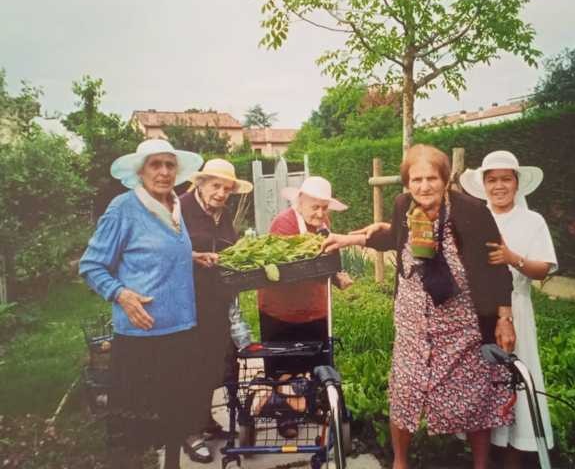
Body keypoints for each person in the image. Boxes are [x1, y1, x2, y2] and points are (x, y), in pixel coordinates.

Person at [323, 144, 516, 469]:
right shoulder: (403, 206)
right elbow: (395, 238)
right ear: (406, 183)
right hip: (413, 322)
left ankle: (480, 465)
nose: (424, 187)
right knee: (405, 392)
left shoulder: (472, 211)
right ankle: (400, 463)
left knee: (474, 395)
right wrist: (348, 238)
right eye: (416, 180)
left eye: (431, 179)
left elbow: (498, 267)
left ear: (445, 179)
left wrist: (504, 318)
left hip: (462, 325)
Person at [79, 139, 204, 469]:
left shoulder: (176, 206)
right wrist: (120, 294)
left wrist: (191, 256)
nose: (164, 172)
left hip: (180, 330)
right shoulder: (124, 207)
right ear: (140, 171)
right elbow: (91, 265)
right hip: (141, 337)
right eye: (155, 164)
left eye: (169, 164)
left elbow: (152, 253)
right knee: (136, 433)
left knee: (176, 418)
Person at [460, 150, 558, 469]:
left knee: (515, 378)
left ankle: (513, 458)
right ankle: (482, 459)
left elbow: (543, 269)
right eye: (492, 179)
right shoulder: (474, 219)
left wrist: (512, 257)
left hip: (516, 311)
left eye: (505, 179)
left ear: (517, 183)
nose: (499, 186)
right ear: (483, 184)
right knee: (483, 384)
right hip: (477, 312)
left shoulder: (532, 221)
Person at [257, 175, 352, 438]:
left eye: (324, 207)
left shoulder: (323, 223)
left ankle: (310, 406)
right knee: (283, 366)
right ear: (300, 202)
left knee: (313, 362)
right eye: (315, 207)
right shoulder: (283, 224)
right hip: (281, 310)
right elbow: (290, 269)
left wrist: (337, 275)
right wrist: (324, 270)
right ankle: (284, 415)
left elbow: (329, 259)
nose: (321, 213)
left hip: (313, 307)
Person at [179, 158, 253, 463]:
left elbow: (229, 250)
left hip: (217, 301)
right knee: (190, 366)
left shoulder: (222, 215)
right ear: (200, 183)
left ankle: (205, 422)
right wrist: (192, 256)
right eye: (216, 186)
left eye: (227, 188)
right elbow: (162, 250)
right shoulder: (180, 208)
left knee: (215, 364)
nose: (221, 193)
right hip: (185, 302)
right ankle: (188, 431)